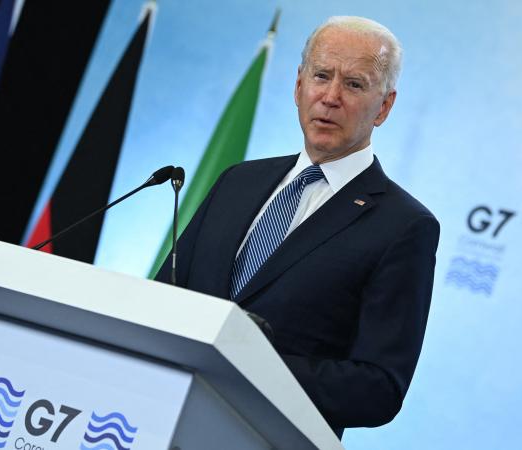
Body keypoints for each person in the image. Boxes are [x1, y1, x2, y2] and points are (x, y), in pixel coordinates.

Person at [156, 16, 439, 436]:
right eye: (321, 76)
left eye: (355, 84)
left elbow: (378, 388)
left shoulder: (403, 226)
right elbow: (161, 298)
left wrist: (245, 363)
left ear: (384, 106)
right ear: (298, 86)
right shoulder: (237, 180)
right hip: (154, 419)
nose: (330, 97)